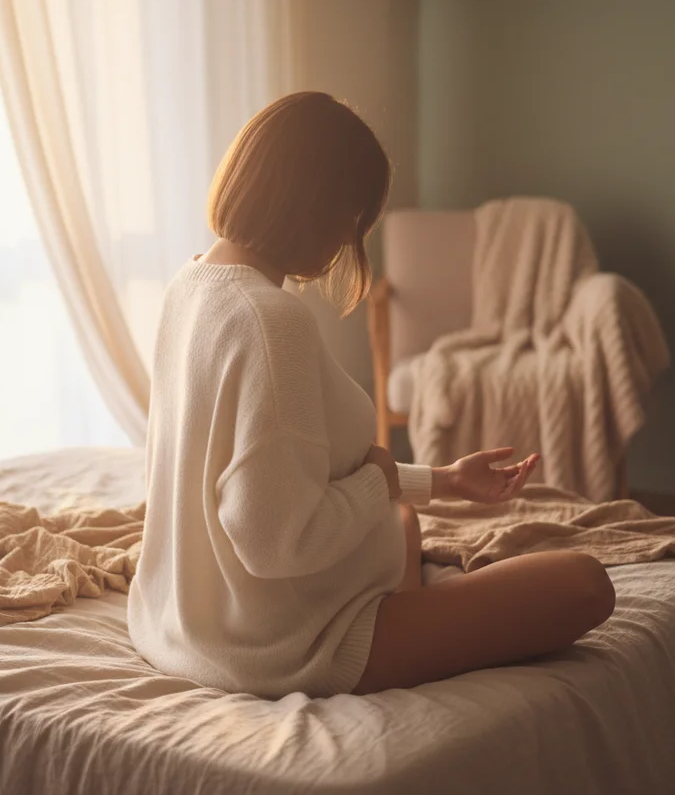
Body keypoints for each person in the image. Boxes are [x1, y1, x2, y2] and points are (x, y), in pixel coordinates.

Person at [127, 91, 615, 698]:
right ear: (317, 204)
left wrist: (443, 480)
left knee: (404, 520)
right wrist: (375, 486)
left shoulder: (191, 285)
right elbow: (272, 540)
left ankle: (411, 599)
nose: (348, 241)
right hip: (281, 644)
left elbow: (279, 472)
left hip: (186, 623)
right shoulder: (270, 321)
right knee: (584, 584)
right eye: (353, 218)